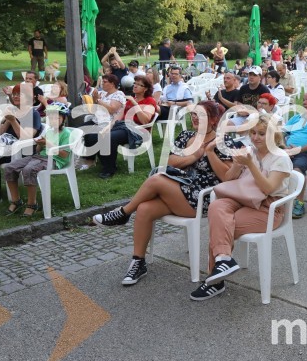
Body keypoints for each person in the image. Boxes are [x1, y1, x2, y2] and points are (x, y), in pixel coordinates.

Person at [91, 101, 238, 286]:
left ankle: (123, 213)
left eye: (200, 115)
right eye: (193, 114)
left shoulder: (223, 141)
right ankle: (138, 261)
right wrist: (193, 156)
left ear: (214, 120)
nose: (194, 118)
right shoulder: (186, 135)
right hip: (178, 189)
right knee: (144, 208)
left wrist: (209, 153)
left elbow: (227, 177)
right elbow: (170, 162)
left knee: (157, 180)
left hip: (202, 198)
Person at [191, 113, 293, 300]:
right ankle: (223, 261)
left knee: (221, 226)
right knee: (217, 207)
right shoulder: (249, 151)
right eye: (253, 132)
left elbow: (268, 188)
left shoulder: (281, 158)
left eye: (261, 134)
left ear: (273, 135)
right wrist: (238, 165)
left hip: (268, 208)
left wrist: (250, 165)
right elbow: (228, 179)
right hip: (244, 199)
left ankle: (214, 281)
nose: (255, 137)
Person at [3, 103, 73, 217]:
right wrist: (39, 144)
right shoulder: (49, 131)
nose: (54, 120)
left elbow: (64, 155)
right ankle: (16, 201)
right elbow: (39, 150)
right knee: (9, 167)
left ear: (63, 118)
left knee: (29, 169)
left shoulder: (66, 134)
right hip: (40, 157)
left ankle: (32, 204)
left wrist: (47, 143)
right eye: (51, 118)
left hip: (55, 160)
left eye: (57, 118)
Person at [95, 75, 157, 180]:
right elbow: (118, 117)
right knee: (95, 136)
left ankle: (109, 169)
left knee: (110, 137)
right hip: (123, 127)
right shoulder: (129, 100)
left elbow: (145, 120)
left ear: (145, 88)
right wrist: (108, 127)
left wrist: (134, 103)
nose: (135, 86)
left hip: (138, 131)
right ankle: (106, 163)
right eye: (135, 83)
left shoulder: (149, 101)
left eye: (139, 84)